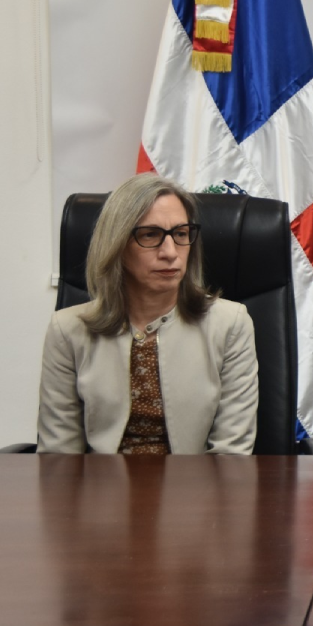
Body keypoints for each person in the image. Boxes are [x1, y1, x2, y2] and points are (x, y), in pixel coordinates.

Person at [38, 174, 258, 454]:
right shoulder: (67, 329)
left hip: (196, 490)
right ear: (117, 245)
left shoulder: (231, 324)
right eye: (150, 235)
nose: (170, 252)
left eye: (180, 234)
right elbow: (59, 458)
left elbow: (231, 456)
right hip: (99, 492)